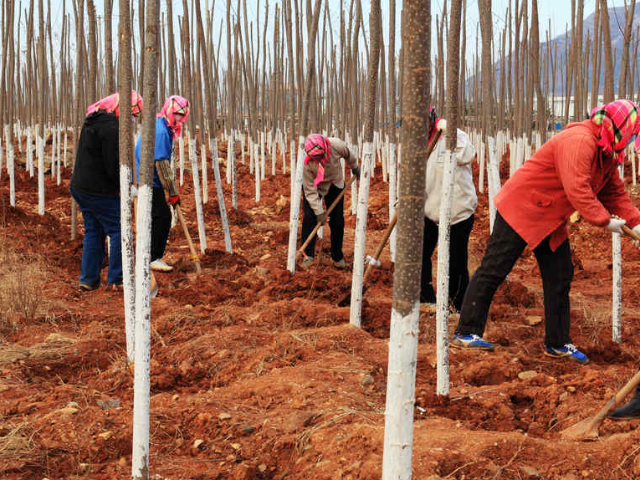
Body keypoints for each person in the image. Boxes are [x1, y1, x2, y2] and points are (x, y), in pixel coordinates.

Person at [452, 99, 640, 364]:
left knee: (560, 274)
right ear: (619, 126)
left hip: (550, 217)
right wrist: (605, 221)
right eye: (632, 132)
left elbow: (616, 194)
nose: (632, 139)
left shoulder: (606, 153)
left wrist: (636, 224)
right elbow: (578, 189)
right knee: (495, 267)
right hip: (523, 206)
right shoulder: (580, 141)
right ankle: (466, 332)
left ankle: (558, 343)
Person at [70, 91, 143, 291]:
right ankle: (118, 280)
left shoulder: (93, 119)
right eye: (132, 115)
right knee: (120, 229)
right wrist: (126, 185)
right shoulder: (112, 127)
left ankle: (89, 279)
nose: (132, 120)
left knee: (94, 230)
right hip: (97, 190)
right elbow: (112, 164)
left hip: (81, 186)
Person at [420, 107, 477, 311]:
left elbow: (468, 154)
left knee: (456, 261)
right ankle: (425, 299)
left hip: (457, 211)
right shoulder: (415, 142)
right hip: (429, 210)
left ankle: (456, 305)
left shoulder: (452, 135)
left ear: (432, 119)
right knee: (420, 254)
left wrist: (450, 131)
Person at [135, 95, 190, 275]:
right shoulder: (160, 131)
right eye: (176, 114)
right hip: (148, 180)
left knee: (159, 216)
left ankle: (148, 256)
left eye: (181, 115)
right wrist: (172, 192)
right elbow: (161, 164)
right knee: (163, 217)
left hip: (151, 179)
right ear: (168, 110)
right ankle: (152, 258)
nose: (179, 119)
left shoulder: (163, 126)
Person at [300, 134, 360, 269]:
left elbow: (349, 155)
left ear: (325, 149)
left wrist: (354, 167)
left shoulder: (335, 145)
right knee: (310, 219)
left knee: (337, 221)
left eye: (320, 156)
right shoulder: (308, 164)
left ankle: (337, 257)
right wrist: (319, 212)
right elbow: (309, 191)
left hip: (334, 183)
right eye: (315, 158)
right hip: (315, 187)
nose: (318, 160)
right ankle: (308, 255)